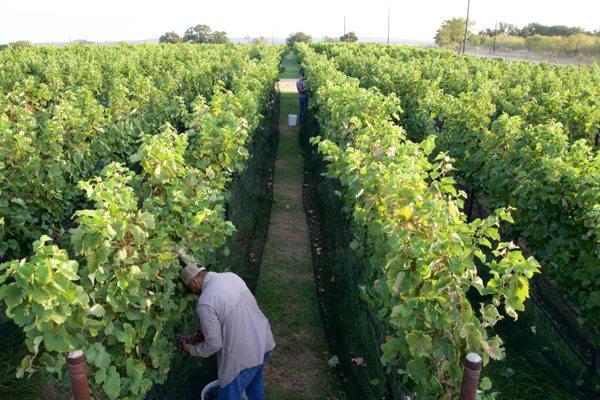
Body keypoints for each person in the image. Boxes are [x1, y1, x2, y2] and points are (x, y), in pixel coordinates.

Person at [180, 260, 275, 400]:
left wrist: (191, 349)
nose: (194, 293)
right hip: (264, 340)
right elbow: (235, 315)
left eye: (190, 289)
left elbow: (214, 345)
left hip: (244, 358)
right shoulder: (231, 276)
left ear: (194, 282)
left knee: (228, 396)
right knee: (254, 386)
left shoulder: (205, 302)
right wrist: (208, 334)